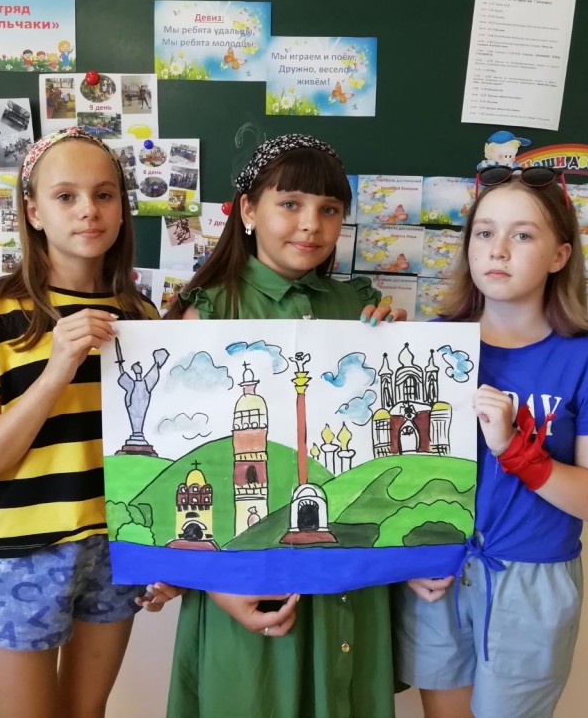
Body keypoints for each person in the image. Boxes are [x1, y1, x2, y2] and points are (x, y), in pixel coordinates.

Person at [0, 126, 181, 718]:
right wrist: (56, 369)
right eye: (65, 196)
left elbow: (164, 448)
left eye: (104, 194)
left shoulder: (140, 318)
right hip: (22, 551)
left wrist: (169, 554)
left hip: (116, 545)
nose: (88, 210)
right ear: (34, 212)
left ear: (121, 208)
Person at [163, 134, 406, 718]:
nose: (311, 224)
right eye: (290, 203)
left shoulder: (362, 308)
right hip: (244, 585)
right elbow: (183, 462)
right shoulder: (209, 310)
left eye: (330, 209)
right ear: (248, 210)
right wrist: (216, 585)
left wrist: (398, 343)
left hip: (351, 583)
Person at [394, 166, 588, 718]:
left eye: (523, 235)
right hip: (438, 571)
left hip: (531, 578)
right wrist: (405, 555)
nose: (498, 250)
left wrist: (515, 450)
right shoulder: (427, 347)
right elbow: (398, 473)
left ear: (559, 255)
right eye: (484, 232)